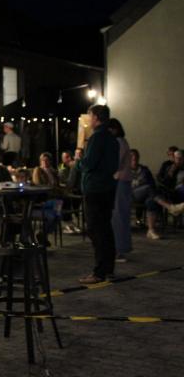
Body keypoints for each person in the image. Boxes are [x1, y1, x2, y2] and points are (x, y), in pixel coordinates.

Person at [75, 105, 119, 284]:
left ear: (96, 118)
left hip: (95, 189)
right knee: (106, 229)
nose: (88, 120)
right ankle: (108, 268)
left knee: (96, 230)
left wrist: (78, 161)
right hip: (108, 187)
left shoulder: (97, 138)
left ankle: (99, 272)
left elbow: (88, 164)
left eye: (90, 116)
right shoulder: (112, 139)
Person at [108, 119, 132, 261]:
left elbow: (115, 162)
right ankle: (121, 247)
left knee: (118, 215)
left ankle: (118, 249)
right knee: (120, 215)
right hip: (123, 180)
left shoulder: (119, 142)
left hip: (120, 180)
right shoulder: (123, 141)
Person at [146, 149, 184, 239]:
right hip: (170, 192)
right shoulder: (168, 166)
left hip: (180, 193)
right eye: (176, 158)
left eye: (181, 158)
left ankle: (150, 230)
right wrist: (170, 174)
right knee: (152, 199)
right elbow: (162, 181)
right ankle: (151, 230)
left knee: (152, 198)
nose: (178, 160)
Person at [129, 149, 156, 224]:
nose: (134, 159)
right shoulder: (125, 170)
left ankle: (151, 229)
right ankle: (169, 206)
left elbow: (152, 183)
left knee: (151, 201)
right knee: (148, 188)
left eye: (136, 157)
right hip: (131, 195)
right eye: (131, 157)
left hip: (144, 195)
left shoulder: (144, 170)